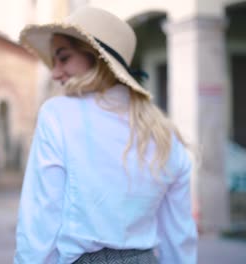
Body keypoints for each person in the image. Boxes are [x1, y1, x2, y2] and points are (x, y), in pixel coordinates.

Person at [14, 6, 197, 264]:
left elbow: (41, 218)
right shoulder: (165, 133)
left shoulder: (58, 114)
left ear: (95, 57)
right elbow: (179, 237)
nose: (55, 73)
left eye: (63, 58)